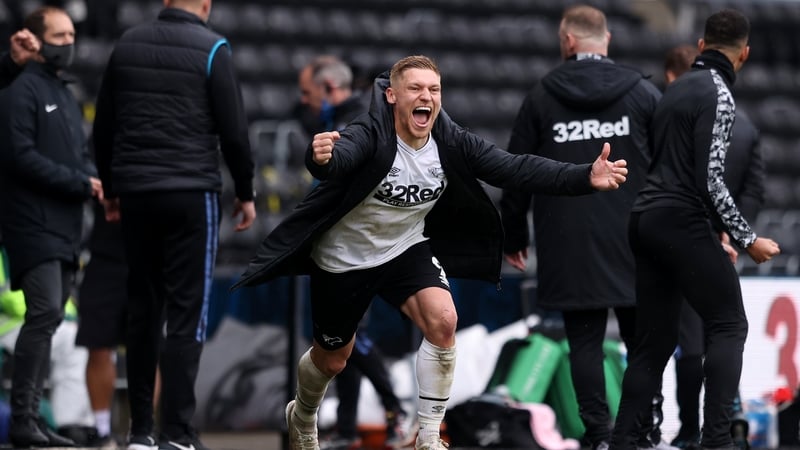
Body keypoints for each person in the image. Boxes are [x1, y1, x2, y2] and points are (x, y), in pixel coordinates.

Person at [233, 54, 629, 450]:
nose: (427, 96)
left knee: (444, 320)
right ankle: (303, 414)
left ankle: (428, 436)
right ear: (392, 95)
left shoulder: (450, 140)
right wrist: (320, 159)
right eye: (415, 88)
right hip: (345, 258)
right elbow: (340, 158)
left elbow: (514, 168)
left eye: (434, 89)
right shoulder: (370, 131)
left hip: (405, 247)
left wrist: (585, 176)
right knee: (333, 359)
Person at [498, 6, 669, 450]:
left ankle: (599, 437)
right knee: (642, 343)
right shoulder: (643, 94)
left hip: (567, 239)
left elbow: (515, 171)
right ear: (606, 40)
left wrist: (514, 234)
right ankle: (643, 432)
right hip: (637, 237)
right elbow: (672, 167)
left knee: (585, 344)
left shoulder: (541, 96)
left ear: (568, 41)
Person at [609, 9, 781, 450]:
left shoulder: (673, 89)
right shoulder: (720, 94)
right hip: (680, 219)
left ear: (702, 46)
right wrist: (746, 239)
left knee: (653, 343)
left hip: (645, 218)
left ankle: (623, 441)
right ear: (744, 54)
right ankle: (717, 441)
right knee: (729, 323)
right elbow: (710, 179)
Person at [91, 0, 257, 449]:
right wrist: (245, 192)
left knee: (143, 310)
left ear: (165, 2)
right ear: (205, 6)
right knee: (187, 313)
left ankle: (140, 431)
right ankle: (177, 432)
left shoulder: (127, 44)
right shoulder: (213, 47)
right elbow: (235, 131)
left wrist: (111, 189)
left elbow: (103, 127)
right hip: (190, 192)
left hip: (136, 193)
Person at [295, 56, 414, 450]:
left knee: (347, 337)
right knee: (340, 341)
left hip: (358, 245)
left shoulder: (359, 119)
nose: (303, 101)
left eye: (308, 93)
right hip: (338, 242)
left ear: (330, 89)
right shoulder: (339, 117)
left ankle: (396, 409)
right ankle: (347, 428)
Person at [0, 6, 103, 447]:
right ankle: (23, 419)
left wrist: (94, 183)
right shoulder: (19, 89)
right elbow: (19, 156)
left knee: (52, 319)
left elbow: (79, 157)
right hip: (31, 225)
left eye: (72, 35)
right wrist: (80, 183)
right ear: (36, 40)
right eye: (59, 35)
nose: (68, 43)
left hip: (65, 228)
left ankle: (33, 420)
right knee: (43, 314)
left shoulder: (64, 93)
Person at [662, 44, 765, 450]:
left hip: (681, 240)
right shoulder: (746, 126)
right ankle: (726, 425)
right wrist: (732, 233)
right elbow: (754, 189)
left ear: (673, 78)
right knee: (725, 333)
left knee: (690, 343)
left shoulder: (671, 116)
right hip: (724, 245)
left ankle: (691, 430)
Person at [0, 251, 95, 444]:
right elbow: (8, 297)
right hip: (8, 324)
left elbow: (56, 298)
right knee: (40, 329)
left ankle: (69, 425)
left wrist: (64, 316)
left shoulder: (48, 247)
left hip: (32, 320)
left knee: (74, 338)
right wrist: (44, 311)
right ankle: (25, 418)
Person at [71, 199, 129, 449]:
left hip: (148, 256)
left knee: (147, 349)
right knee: (97, 346)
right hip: (103, 257)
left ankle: (142, 430)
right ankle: (102, 430)